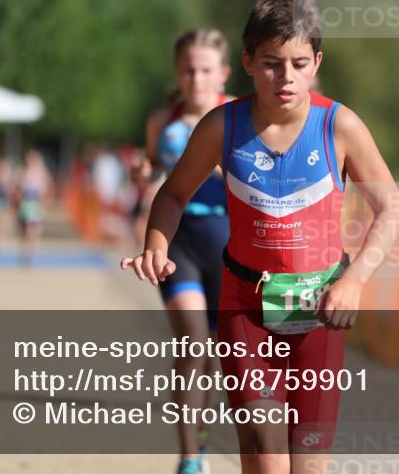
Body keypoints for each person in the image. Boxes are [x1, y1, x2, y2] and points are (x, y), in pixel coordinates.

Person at [121, 0, 399, 473]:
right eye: (272, 63)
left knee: (310, 461)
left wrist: (354, 280)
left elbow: (392, 208)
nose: (286, 77)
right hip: (246, 309)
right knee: (265, 455)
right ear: (249, 61)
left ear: (316, 62)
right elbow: (171, 195)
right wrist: (156, 244)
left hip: (319, 311)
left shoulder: (340, 126)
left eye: (298, 63)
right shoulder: (220, 126)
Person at [130, 28, 234, 474]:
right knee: (193, 344)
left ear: (224, 73)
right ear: (178, 72)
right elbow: (154, 162)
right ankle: (189, 457)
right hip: (177, 242)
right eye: (189, 69)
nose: (196, 78)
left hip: (231, 243)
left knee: (218, 355)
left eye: (206, 69)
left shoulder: (238, 116)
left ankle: (204, 442)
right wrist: (145, 167)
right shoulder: (162, 121)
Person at [14, 149, 52, 265]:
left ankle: (29, 254)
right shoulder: (23, 172)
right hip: (26, 204)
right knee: (25, 231)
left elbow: (48, 190)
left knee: (33, 231)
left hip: (36, 205)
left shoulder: (42, 174)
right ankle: (25, 253)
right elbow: (18, 190)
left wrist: (45, 203)